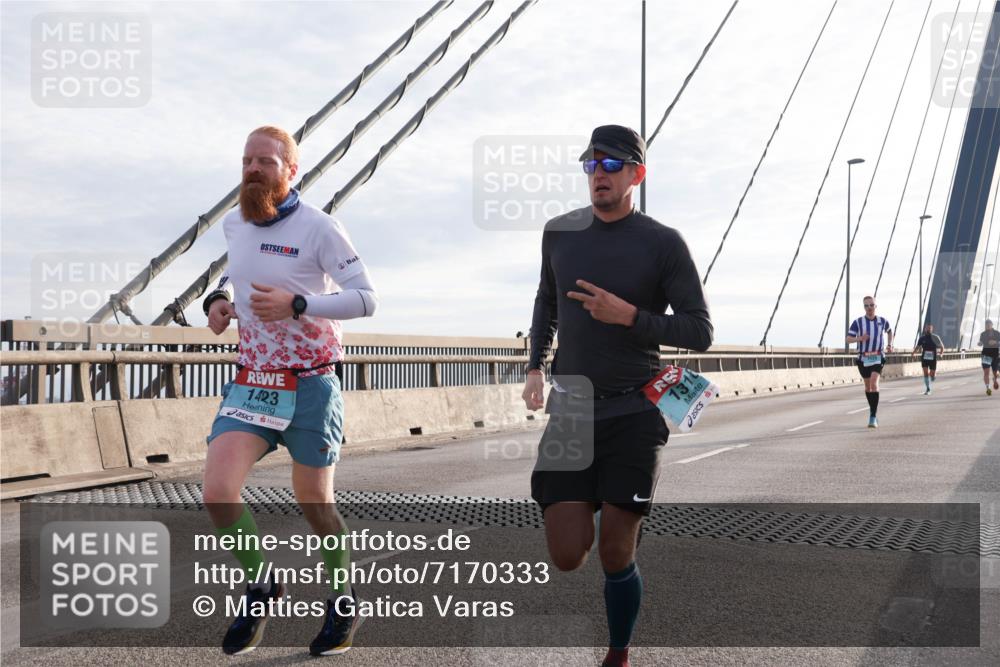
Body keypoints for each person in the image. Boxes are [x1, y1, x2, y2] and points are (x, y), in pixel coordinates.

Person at [522, 125, 713, 667]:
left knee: (613, 553)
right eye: (591, 165)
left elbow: (699, 330)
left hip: (635, 409)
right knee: (565, 554)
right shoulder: (559, 234)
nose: (599, 175)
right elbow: (546, 301)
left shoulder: (662, 242)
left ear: (637, 174)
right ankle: (610, 510)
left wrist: (630, 316)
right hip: (573, 408)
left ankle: (618, 651)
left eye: (611, 165)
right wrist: (536, 364)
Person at [202, 126, 378, 656]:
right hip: (254, 382)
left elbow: (365, 299)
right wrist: (218, 298)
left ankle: (343, 599)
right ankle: (261, 584)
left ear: (291, 171)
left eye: (267, 162)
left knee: (316, 503)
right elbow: (237, 272)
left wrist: (299, 305)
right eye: (247, 160)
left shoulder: (321, 228)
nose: (254, 169)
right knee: (217, 492)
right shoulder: (235, 221)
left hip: (310, 384)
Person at [846, 296, 893, 428]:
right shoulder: (858, 322)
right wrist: (860, 338)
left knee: (873, 383)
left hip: (878, 357)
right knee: (867, 387)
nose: (869, 308)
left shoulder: (882, 321)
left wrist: (890, 345)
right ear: (864, 307)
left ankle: (873, 415)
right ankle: (872, 411)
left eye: (871, 305)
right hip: (863, 358)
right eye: (866, 306)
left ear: (876, 306)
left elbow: (889, 331)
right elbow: (848, 339)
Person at [911, 323, 944, 395]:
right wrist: (913, 353)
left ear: (932, 329)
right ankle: (928, 389)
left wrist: (941, 354)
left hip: (933, 358)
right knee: (925, 373)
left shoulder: (935, 337)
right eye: (927, 328)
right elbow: (918, 347)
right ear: (925, 329)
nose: (928, 329)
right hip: (924, 358)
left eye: (930, 328)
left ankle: (933, 375)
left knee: (932, 376)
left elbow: (942, 347)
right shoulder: (922, 338)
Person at [976, 319, 1000, 396]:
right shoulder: (983, 334)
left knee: (995, 373)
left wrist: (996, 342)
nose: (987, 326)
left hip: (995, 355)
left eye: (989, 324)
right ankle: (988, 388)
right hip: (986, 355)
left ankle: (995, 379)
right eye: (986, 325)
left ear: (992, 325)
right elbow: (981, 342)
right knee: (986, 372)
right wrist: (979, 343)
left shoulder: (997, 333)